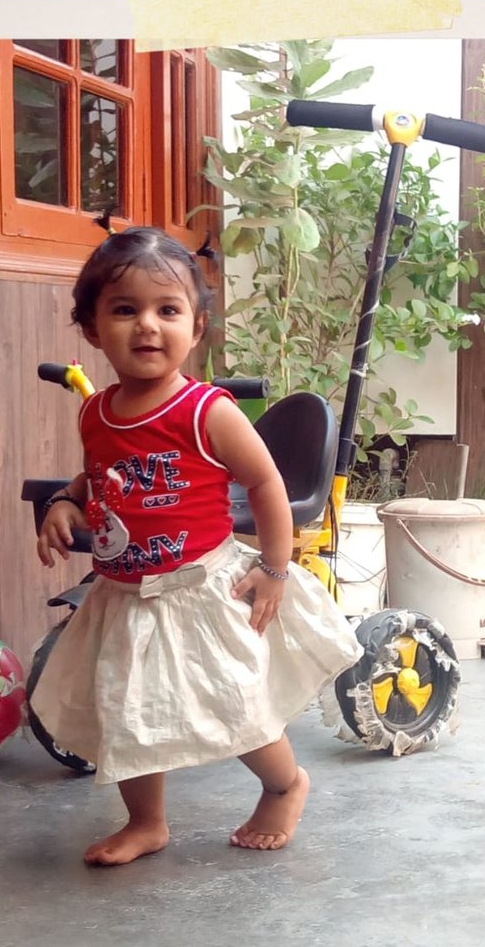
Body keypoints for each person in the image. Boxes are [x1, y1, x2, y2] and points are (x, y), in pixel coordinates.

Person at [31, 226, 363, 866]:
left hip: (201, 590)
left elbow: (265, 482)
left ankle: (284, 784)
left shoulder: (206, 410)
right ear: (92, 329)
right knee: (128, 712)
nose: (147, 325)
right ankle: (146, 822)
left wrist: (275, 568)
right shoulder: (95, 413)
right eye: (124, 309)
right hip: (124, 594)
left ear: (197, 326)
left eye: (168, 309)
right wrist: (65, 501)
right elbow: (97, 475)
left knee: (235, 702)